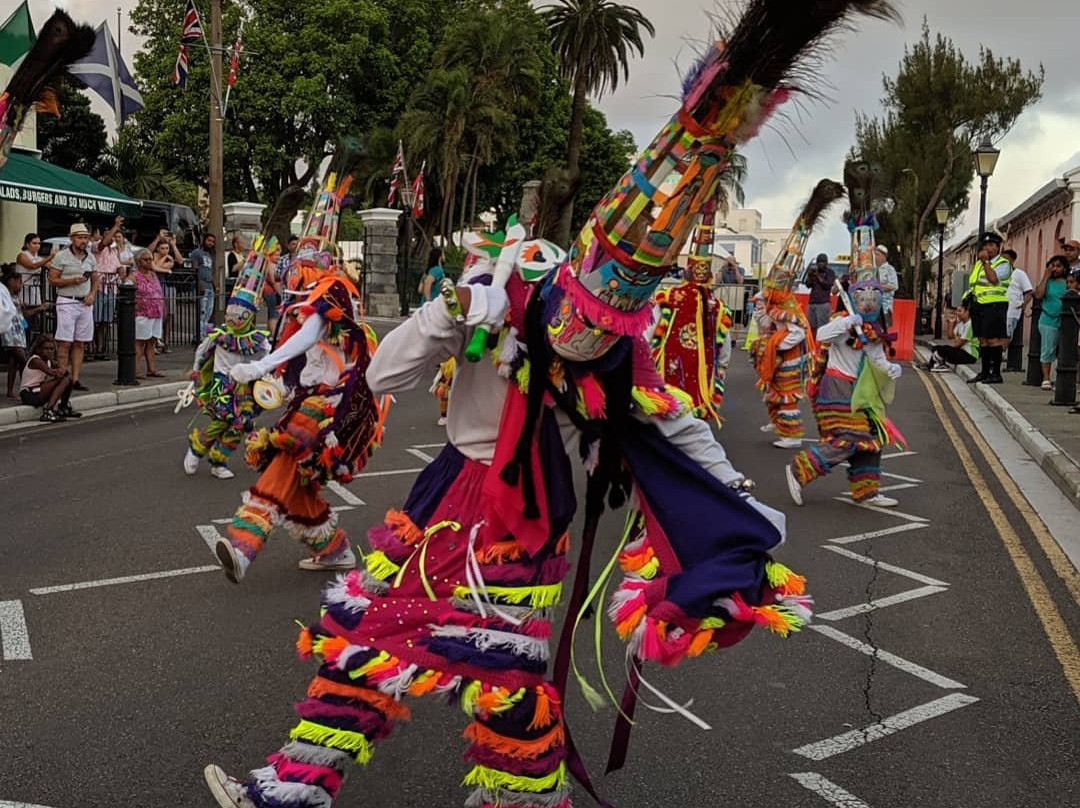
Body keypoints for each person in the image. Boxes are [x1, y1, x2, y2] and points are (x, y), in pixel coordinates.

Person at [210, 173, 387, 584]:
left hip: (333, 405)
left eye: (307, 257)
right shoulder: (307, 301)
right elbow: (300, 356)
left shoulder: (334, 291)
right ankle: (333, 548)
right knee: (297, 474)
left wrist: (256, 366)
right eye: (298, 257)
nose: (297, 267)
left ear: (322, 261)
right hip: (316, 398)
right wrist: (271, 381)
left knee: (288, 462)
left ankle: (243, 544)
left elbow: (309, 336)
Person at [787, 163, 904, 509]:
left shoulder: (874, 329)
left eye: (872, 296)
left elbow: (877, 356)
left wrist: (889, 369)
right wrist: (845, 322)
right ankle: (800, 469)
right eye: (862, 295)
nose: (867, 301)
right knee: (848, 438)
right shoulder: (844, 320)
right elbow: (821, 333)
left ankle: (866, 491)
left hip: (863, 390)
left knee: (873, 439)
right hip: (837, 387)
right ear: (855, 294)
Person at [752, 179, 845, 449]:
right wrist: (763, 312)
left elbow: (796, 333)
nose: (767, 289)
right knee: (772, 391)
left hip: (791, 357)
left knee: (786, 393)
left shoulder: (786, 308)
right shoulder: (774, 303)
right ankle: (778, 421)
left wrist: (774, 343)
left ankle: (791, 435)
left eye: (771, 285)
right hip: (779, 354)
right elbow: (764, 320)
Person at [184, 238, 273, 481]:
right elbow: (202, 354)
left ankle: (218, 461)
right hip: (222, 383)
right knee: (222, 420)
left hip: (246, 386)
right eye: (233, 312)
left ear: (250, 315)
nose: (235, 318)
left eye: (241, 314)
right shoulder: (219, 336)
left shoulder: (259, 340)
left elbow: (269, 361)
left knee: (240, 424)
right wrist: (195, 376)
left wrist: (271, 380)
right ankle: (197, 448)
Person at [650, 197, 733, 424]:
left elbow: (650, 335)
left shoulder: (668, 297)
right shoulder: (719, 307)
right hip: (703, 374)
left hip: (668, 371)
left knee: (666, 415)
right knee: (695, 416)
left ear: (686, 272)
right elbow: (724, 348)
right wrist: (721, 368)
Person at [47, 223, 98, 392]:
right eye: (80, 237)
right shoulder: (61, 256)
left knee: (80, 343)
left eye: (85, 237)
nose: (83, 241)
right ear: (72, 238)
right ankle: (62, 377)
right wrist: (71, 280)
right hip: (67, 300)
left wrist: (92, 294)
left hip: (84, 302)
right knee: (65, 342)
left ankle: (75, 379)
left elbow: (96, 278)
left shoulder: (90, 257)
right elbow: (52, 279)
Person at [964, 232, 1012, 384]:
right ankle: (984, 372)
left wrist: (985, 262)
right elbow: (974, 284)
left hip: (995, 304)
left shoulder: (1003, 264)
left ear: (998, 247)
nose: (988, 248)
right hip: (979, 305)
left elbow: (993, 279)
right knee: (982, 339)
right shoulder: (978, 264)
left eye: (991, 245)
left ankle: (996, 373)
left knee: (993, 340)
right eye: (985, 245)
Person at [1, 264, 52, 399]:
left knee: (14, 362)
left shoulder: (16, 298)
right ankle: (30, 384)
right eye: (19, 282)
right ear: (11, 281)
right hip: (10, 333)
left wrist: (38, 310)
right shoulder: (4, 296)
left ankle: (11, 390)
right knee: (23, 359)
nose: (21, 285)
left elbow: (22, 315)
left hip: (19, 332)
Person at [18, 335, 78, 422]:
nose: (49, 351)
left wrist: (62, 368)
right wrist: (62, 370)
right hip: (28, 393)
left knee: (68, 379)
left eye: (51, 349)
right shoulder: (36, 360)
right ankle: (48, 411)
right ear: (38, 349)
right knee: (64, 379)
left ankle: (64, 407)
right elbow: (54, 373)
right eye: (46, 349)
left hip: (38, 390)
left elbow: (63, 370)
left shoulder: (48, 360)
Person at [91, 216, 125, 360]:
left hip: (111, 287)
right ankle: (91, 347)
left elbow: (119, 267)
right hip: (99, 287)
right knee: (95, 319)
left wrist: (121, 272)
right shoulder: (96, 246)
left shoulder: (114, 251)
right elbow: (103, 243)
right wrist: (116, 226)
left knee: (106, 321)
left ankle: (101, 348)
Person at [1034, 254, 1070, 391]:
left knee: (1065, 350)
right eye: (1052, 266)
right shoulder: (1047, 282)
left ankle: (1061, 379)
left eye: (1058, 266)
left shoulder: (1068, 282)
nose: (1055, 269)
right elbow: (1038, 295)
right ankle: (1046, 378)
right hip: (1048, 319)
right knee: (1047, 349)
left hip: (1066, 320)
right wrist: (1046, 276)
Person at [131, 249, 168, 379]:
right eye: (145, 259)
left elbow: (159, 291)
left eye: (150, 259)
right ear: (139, 261)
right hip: (143, 312)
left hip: (156, 311)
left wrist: (163, 307)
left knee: (152, 341)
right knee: (140, 342)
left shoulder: (153, 274)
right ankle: (136, 370)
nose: (149, 262)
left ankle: (151, 369)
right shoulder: (134, 275)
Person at [926, 303, 978, 371]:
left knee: (944, 350)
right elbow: (950, 336)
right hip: (961, 350)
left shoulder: (970, 325)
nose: (957, 313)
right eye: (957, 311)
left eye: (960, 311)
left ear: (967, 312)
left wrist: (957, 338)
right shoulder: (960, 323)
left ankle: (934, 364)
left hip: (970, 355)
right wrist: (951, 322)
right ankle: (936, 364)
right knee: (936, 348)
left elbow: (957, 344)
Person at [190, 233, 219, 340]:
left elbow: (212, 271)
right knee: (202, 312)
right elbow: (194, 269)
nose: (211, 243)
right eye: (209, 240)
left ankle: (203, 333)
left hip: (210, 286)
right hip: (202, 285)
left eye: (212, 241)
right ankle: (199, 335)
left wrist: (216, 285)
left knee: (208, 312)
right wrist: (199, 283)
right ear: (204, 240)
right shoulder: (197, 253)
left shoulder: (210, 255)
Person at [15, 232, 53, 313]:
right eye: (34, 243)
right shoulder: (22, 255)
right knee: (24, 313)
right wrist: (50, 257)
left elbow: (51, 266)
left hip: (34, 290)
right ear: (27, 244)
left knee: (35, 316)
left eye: (39, 243)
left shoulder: (38, 258)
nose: (37, 246)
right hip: (23, 290)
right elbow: (33, 266)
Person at [1003, 248, 1032, 340]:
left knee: (1006, 336)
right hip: (998, 310)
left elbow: (1029, 291)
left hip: (1011, 311)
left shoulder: (1019, 274)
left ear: (1012, 260)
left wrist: (1024, 304)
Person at [807, 252, 836, 332]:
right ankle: (813, 343)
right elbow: (808, 285)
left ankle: (821, 344)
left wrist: (817, 276)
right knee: (811, 327)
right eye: (819, 262)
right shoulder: (815, 272)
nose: (820, 264)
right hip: (812, 303)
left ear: (826, 263)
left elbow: (827, 285)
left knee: (823, 328)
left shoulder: (830, 272)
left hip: (823, 303)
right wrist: (810, 276)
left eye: (822, 262)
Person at [873, 244, 898, 327]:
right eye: (874, 254)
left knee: (884, 331)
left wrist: (879, 286)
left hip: (885, 308)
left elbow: (894, 286)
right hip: (872, 307)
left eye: (877, 254)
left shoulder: (890, 269)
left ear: (884, 256)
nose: (875, 257)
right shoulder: (872, 269)